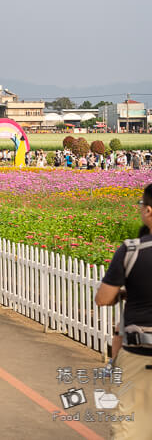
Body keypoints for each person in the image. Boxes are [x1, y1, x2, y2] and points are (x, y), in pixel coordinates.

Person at [95, 183, 152, 439]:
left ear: (149, 211)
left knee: (131, 423)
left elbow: (104, 298)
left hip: (140, 353)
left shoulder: (132, 251)